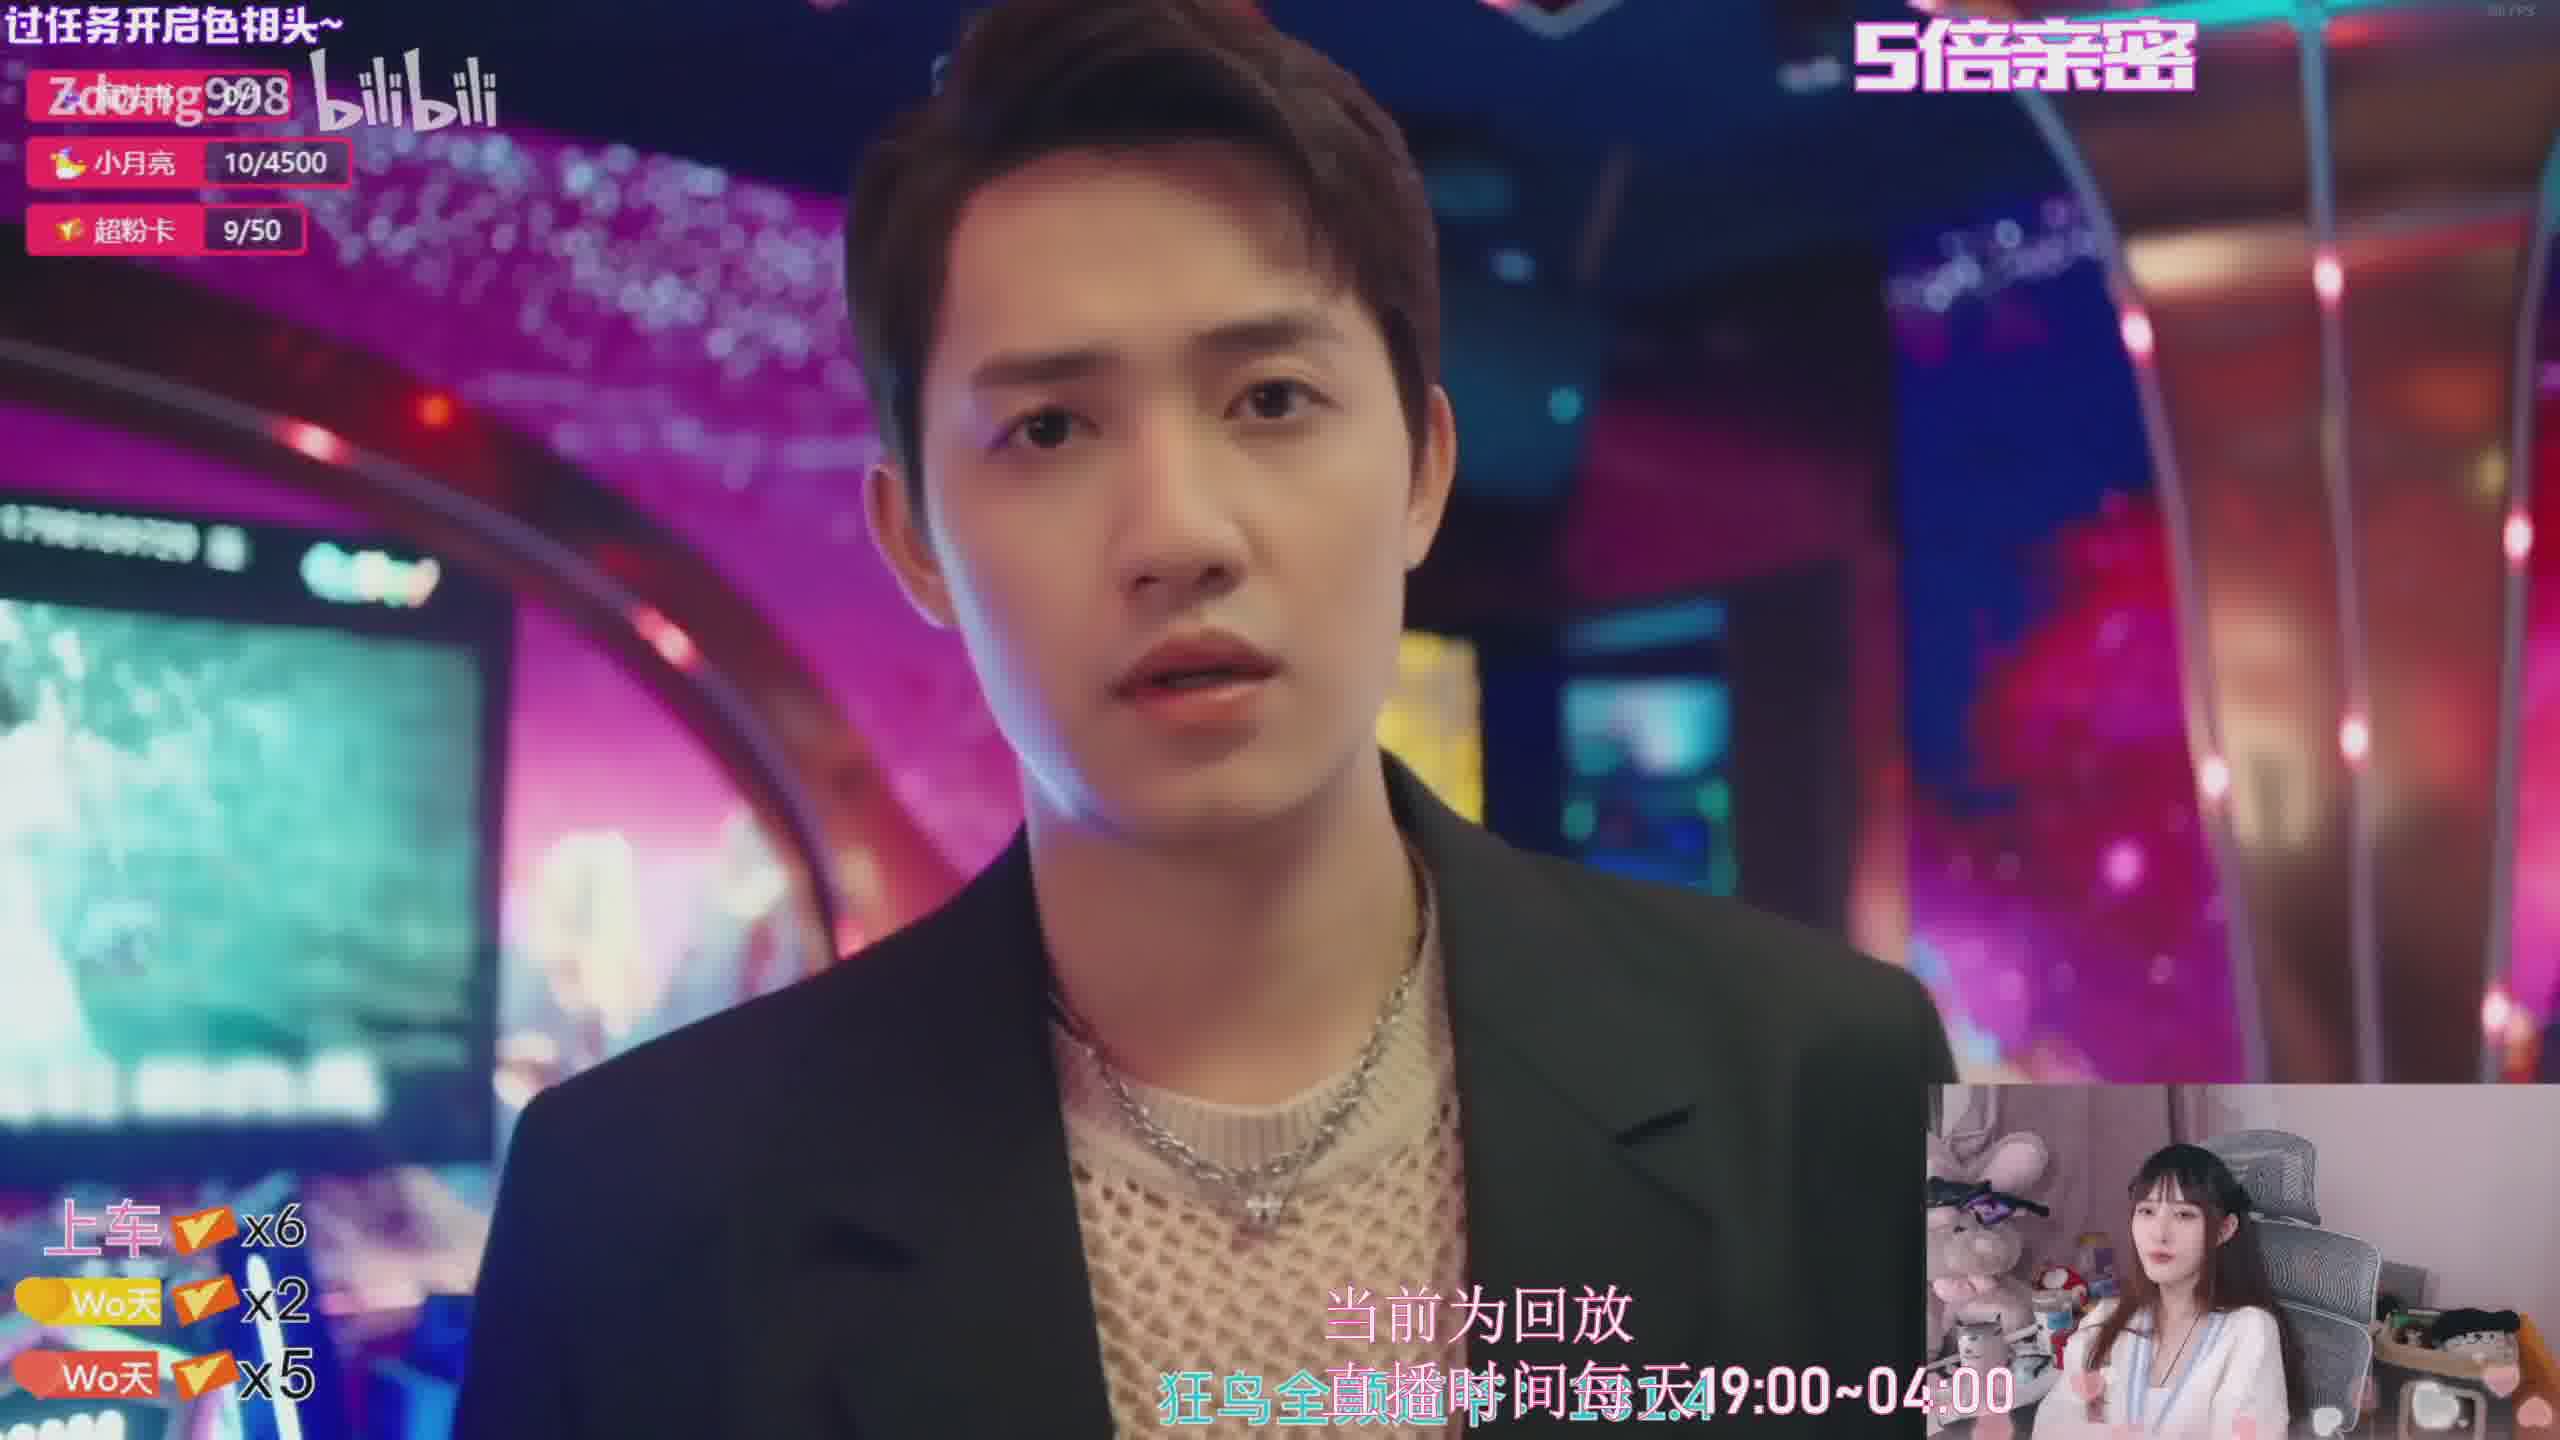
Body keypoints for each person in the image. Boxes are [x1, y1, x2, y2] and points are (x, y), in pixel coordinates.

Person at [454, 1, 1956, 1435]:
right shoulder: (631, 1212)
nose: (1178, 533)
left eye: (1271, 401)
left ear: (1424, 469)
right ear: (916, 543)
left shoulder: (1856, 1072)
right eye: (1050, 428)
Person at [2033, 1144, 2303, 1437]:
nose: (2159, 1233)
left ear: (2224, 1230)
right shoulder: (2106, 1320)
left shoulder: (2248, 1332)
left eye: (2184, 1215)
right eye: (2147, 1211)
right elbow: (2051, 1428)